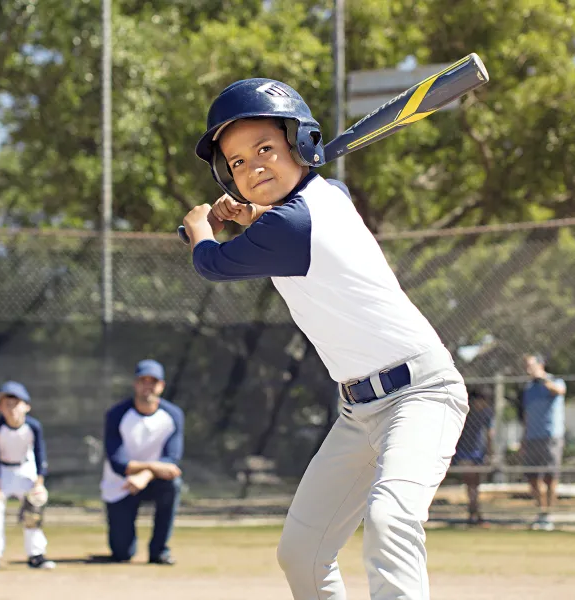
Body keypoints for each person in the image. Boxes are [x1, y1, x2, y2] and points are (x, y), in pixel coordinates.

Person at [182, 78, 468, 600]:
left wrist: (200, 222)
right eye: (239, 163)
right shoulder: (326, 195)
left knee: (390, 519)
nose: (254, 167)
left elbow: (212, 263)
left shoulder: (290, 226)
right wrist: (254, 214)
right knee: (303, 551)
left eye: (266, 148)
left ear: (302, 144)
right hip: (357, 412)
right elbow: (292, 221)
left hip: (421, 395)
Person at [100, 359, 184, 565]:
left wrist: (146, 475)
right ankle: (125, 545)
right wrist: (152, 468)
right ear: (135, 384)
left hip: (154, 481)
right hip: (121, 483)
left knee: (173, 485)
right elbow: (118, 462)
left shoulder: (173, 415)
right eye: (143, 381)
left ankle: (159, 550)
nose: (148, 386)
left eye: (153, 382)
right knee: (122, 554)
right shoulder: (116, 414)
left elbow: (171, 459)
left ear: (161, 386)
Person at [0, 381, 55, 571]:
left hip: (25, 470)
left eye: (16, 403)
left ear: (27, 406)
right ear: (0, 407)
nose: (12, 408)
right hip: (2, 472)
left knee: (33, 510)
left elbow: (40, 455)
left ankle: (36, 554)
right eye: (7, 404)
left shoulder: (33, 427)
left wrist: (39, 484)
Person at [520, 354, 566, 531]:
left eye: (530, 365)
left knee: (550, 477)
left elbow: (559, 391)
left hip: (551, 436)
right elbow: (526, 416)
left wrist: (543, 379)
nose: (528, 369)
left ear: (541, 365)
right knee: (533, 478)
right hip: (532, 437)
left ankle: (549, 515)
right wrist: (523, 439)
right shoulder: (528, 389)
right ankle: (541, 512)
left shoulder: (555, 381)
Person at [452, 387, 495, 525]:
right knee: (470, 481)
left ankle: (475, 511)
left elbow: (489, 434)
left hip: (478, 452)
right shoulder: (465, 412)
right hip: (464, 451)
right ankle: (473, 511)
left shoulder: (486, 413)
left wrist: (490, 452)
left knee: (475, 483)